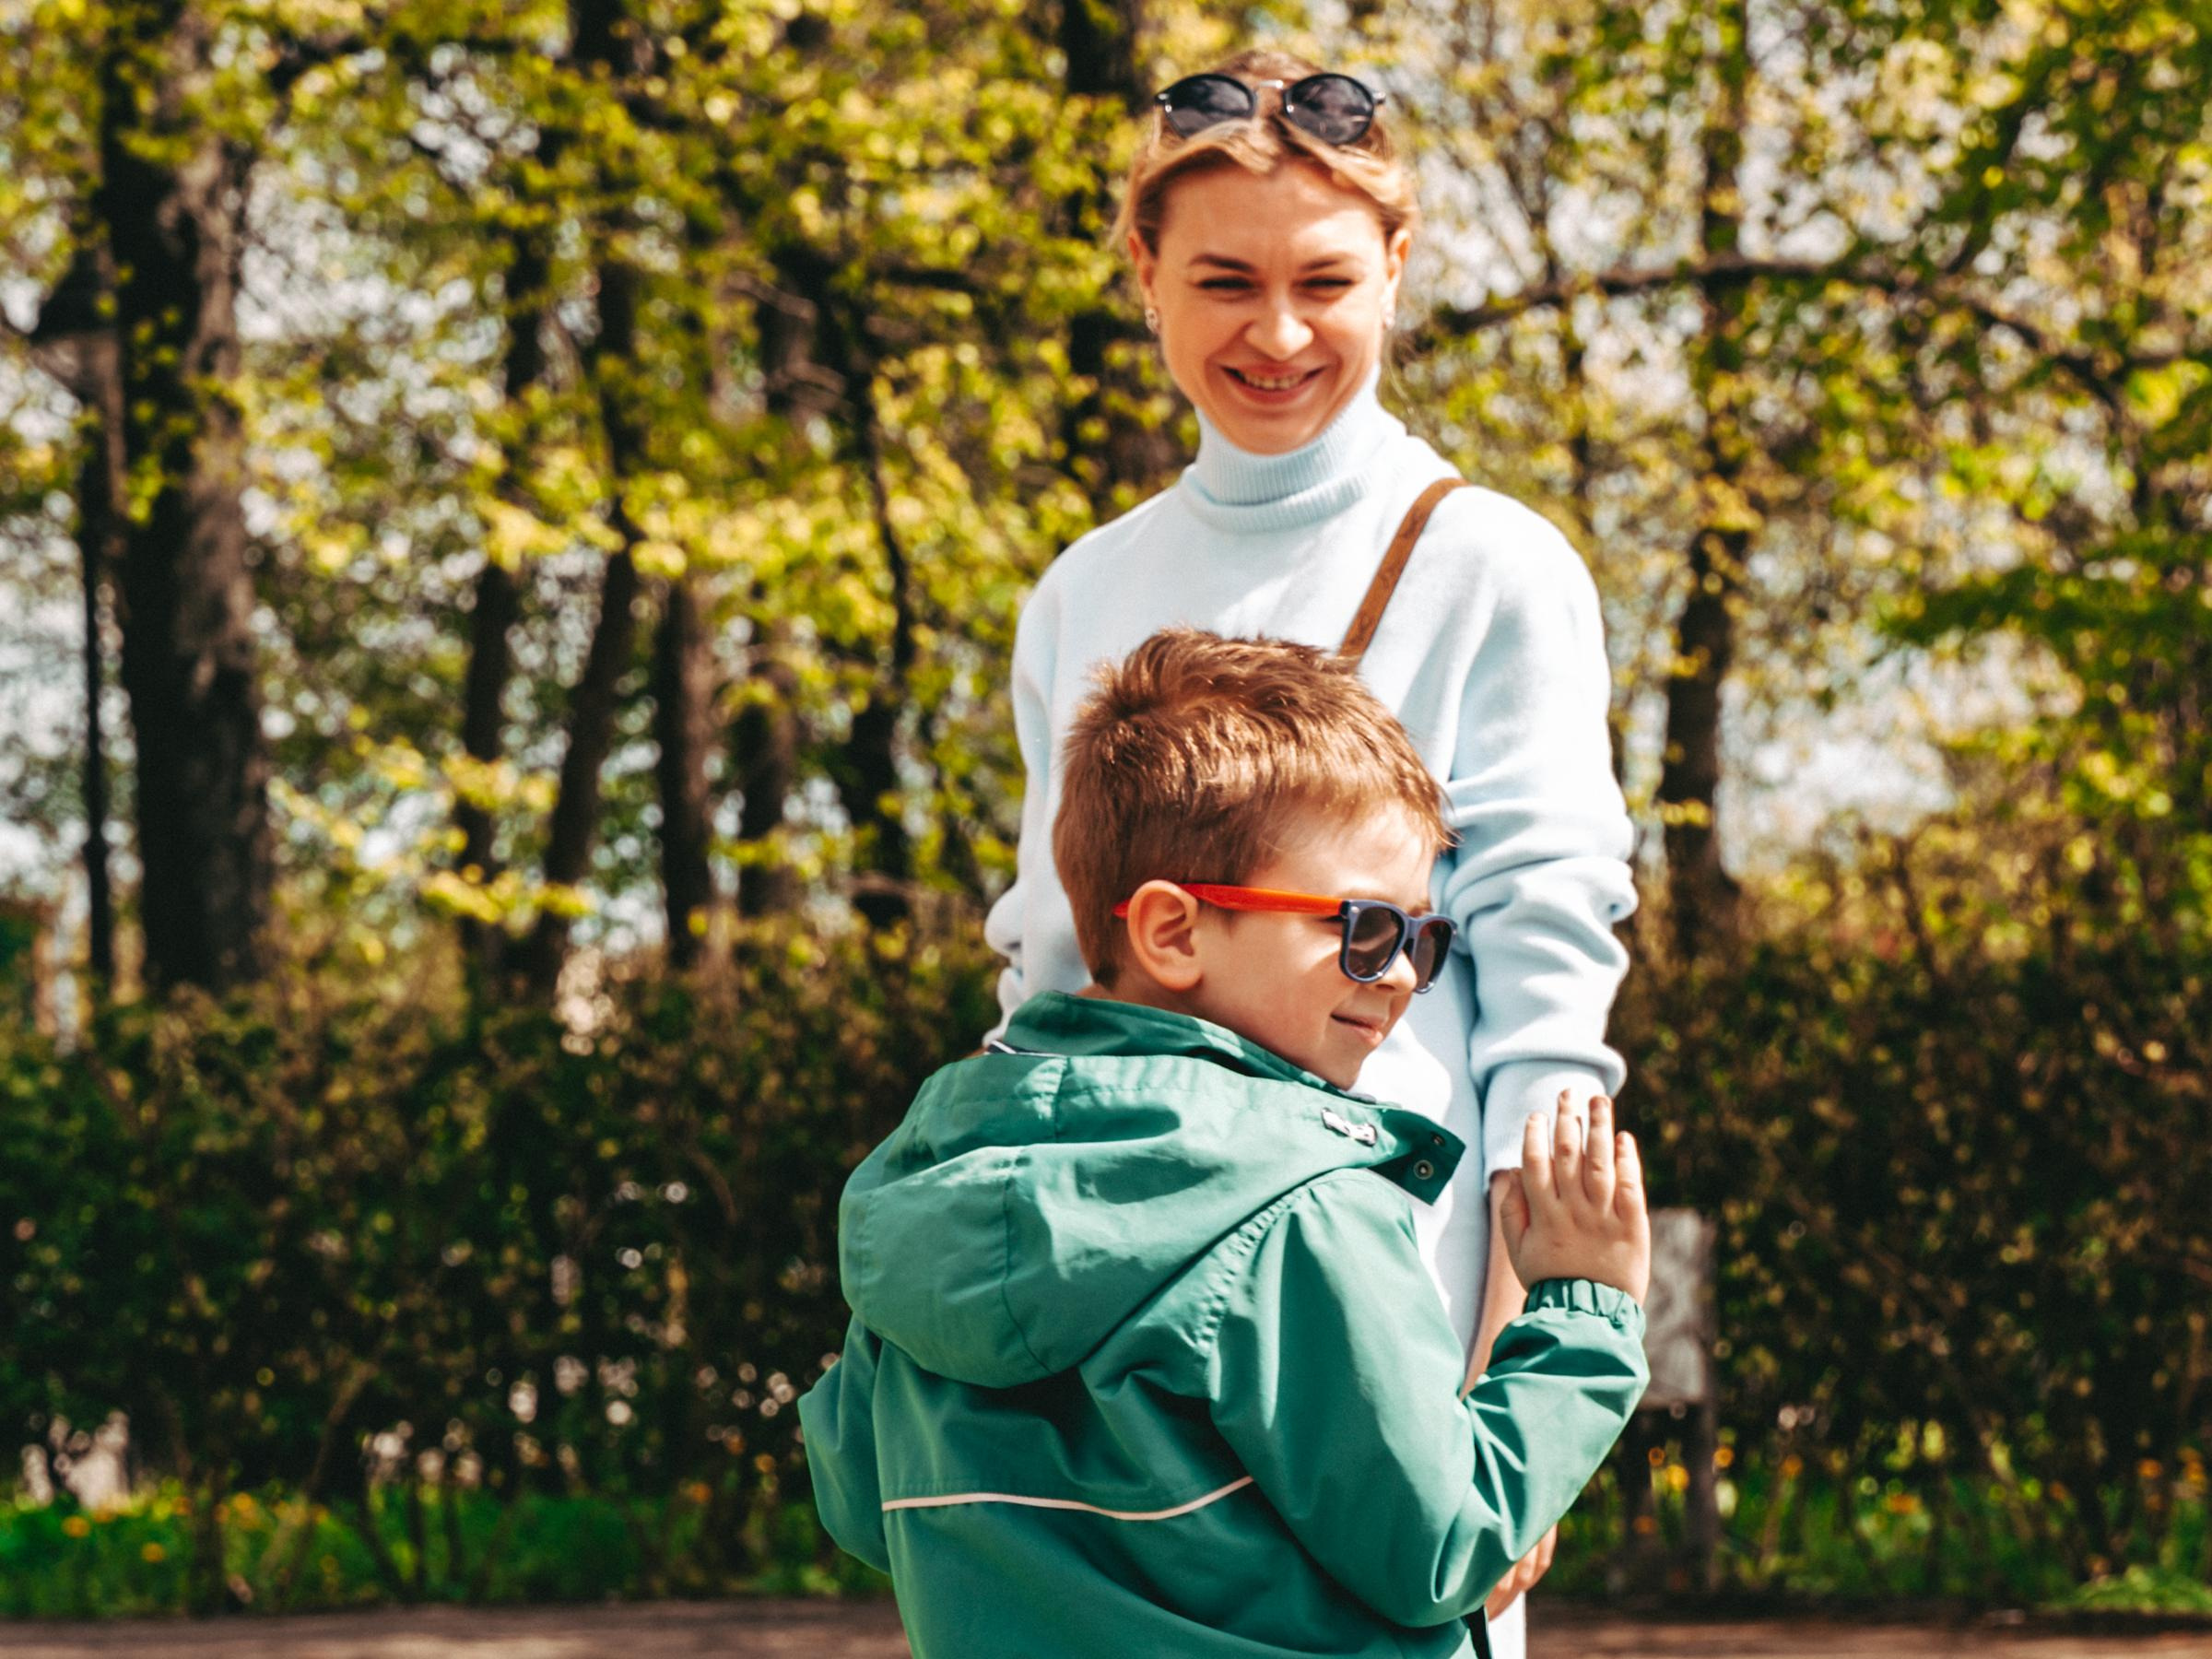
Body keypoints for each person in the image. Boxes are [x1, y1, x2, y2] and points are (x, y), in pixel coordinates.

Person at [982, 49, 1640, 1653]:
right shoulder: (1080, 591)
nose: (1275, 334)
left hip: (1386, 1312)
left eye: (1324, 280)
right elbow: (1047, 988)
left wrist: (1508, 1374)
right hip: (1125, 1343)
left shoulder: (1494, 565)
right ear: (1143, 275)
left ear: (1397, 268)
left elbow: (1550, 1006)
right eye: (1222, 280)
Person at [801, 630, 1649, 1659]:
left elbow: (860, 1500)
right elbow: (1441, 1541)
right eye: (1366, 928)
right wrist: (1585, 1311)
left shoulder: (936, 1179)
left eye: (1425, 943)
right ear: (1172, 932)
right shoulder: (1303, 1210)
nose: (1398, 980)